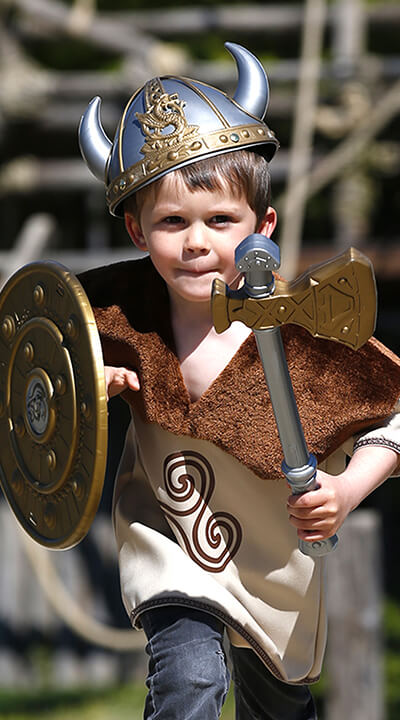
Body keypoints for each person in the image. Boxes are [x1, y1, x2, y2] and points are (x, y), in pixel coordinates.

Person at [77, 43, 400, 719]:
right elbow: (33, 375)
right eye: (172, 222)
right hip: (170, 540)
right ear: (137, 230)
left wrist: (346, 490)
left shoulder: (307, 327)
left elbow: (394, 414)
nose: (196, 241)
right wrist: (84, 384)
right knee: (190, 679)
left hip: (275, 562)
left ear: (263, 226)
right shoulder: (109, 313)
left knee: (279, 708)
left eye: (220, 220)